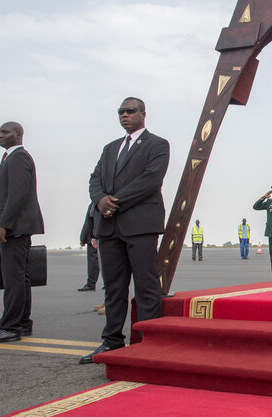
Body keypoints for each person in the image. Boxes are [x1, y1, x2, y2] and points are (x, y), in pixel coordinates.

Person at [80, 97, 170, 364]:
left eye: (130, 111)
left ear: (143, 113)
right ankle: (111, 341)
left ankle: (148, 342)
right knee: (114, 288)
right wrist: (99, 201)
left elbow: (151, 179)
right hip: (109, 227)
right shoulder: (110, 148)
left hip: (140, 225)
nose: (124, 115)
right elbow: (95, 178)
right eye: (120, 112)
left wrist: (114, 202)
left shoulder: (157, 144)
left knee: (145, 285)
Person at [0, 121, 44, 344]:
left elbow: (17, 195)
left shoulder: (19, 158)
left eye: (4, 132)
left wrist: (3, 225)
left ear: (18, 134)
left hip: (14, 229)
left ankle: (9, 326)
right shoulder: (10, 158)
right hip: (17, 228)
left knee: (13, 278)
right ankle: (22, 323)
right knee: (20, 277)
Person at [78, 204, 100, 291]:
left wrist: (92, 236)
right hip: (98, 235)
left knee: (93, 258)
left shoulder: (95, 203)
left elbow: (89, 221)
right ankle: (109, 283)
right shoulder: (95, 203)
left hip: (95, 235)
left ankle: (91, 283)